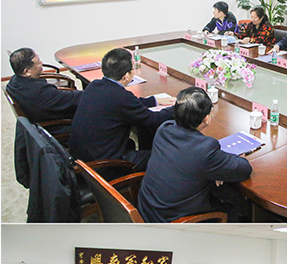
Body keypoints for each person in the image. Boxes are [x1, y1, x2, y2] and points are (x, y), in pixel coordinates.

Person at [138, 87, 252, 223]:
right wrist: (218, 168)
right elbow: (244, 169)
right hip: (173, 223)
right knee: (232, 209)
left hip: (147, 209)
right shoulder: (205, 149)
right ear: (206, 118)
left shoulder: (164, 129)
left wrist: (216, 166)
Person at [69, 48, 175, 171]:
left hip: (83, 158)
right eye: (133, 69)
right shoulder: (121, 97)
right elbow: (153, 119)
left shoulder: (94, 85)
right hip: (105, 165)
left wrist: (154, 100)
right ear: (126, 76)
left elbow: (125, 104)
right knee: (164, 157)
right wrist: (178, 107)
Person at [6, 47, 83, 124]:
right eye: (38, 62)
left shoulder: (13, 82)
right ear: (27, 71)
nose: (41, 63)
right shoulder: (40, 91)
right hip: (60, 123)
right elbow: (73, 98)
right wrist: (89, 92)